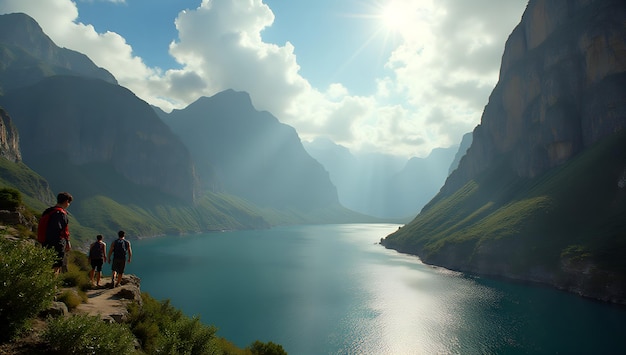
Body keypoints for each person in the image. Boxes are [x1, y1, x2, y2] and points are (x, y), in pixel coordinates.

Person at [42, 192, 73, 276]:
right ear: (66, 201)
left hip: (45, 241)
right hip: (57, 243)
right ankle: (52, 286)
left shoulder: (48, 211)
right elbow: (62, 230)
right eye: (69, 202)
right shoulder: (61, 214)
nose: (68, 204)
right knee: (56, 266)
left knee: (47, 264)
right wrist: (67, 242)